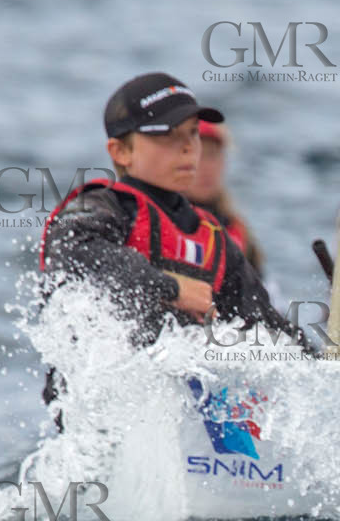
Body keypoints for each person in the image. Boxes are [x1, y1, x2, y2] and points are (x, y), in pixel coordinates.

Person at [38, 72, 307, 410]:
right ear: (120, 151)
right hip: (104, 419)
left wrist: (321, 366)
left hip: (186, 415)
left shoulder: (213, 239)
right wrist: (172, 289)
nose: (187, 147)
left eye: (192, 134)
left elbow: (265, 324)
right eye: (167, 135)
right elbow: (73, 255)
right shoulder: (101, 207)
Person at [191, 119, 267, 275]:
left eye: (212, 155)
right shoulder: (161, 220)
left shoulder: (239, 231)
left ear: (223, 160)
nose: (205, 167)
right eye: (196, 155)